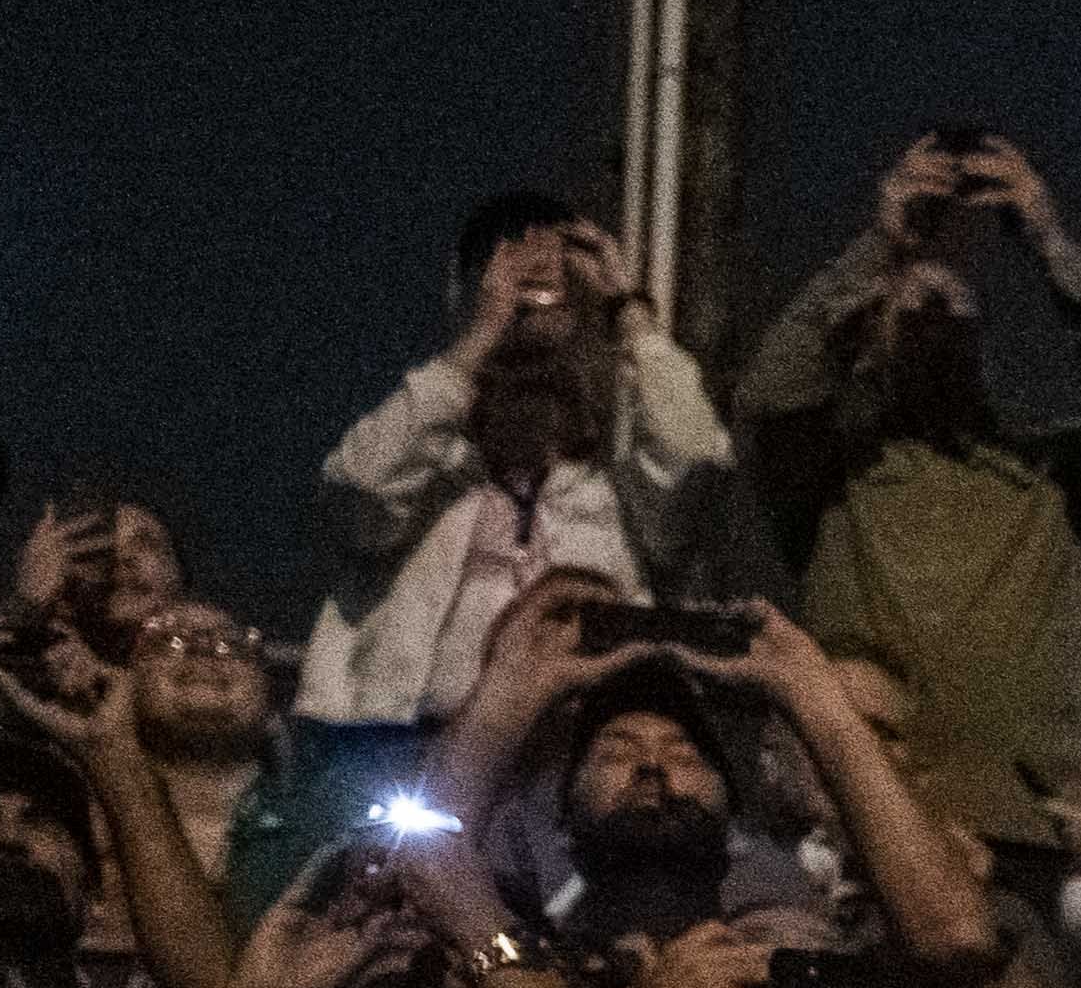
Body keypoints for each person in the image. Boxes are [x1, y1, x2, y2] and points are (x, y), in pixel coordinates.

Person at [725, 131, 1081, 851]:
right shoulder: (832, 480)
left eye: (952, 311)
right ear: (866, 346)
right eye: (909, 314)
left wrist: (1049, 246)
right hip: (859, 835)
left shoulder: (1053, 484)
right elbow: (769, 397)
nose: (932, 316)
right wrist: (876, 249)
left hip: (1024, 839)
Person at [301, 197, 764, 729]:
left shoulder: (622, 491)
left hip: (574, 752)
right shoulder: (425, 468)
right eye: (515, 297)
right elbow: (358, 495)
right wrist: (480, 336)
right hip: (410, 748)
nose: (537, 314)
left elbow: (696, 461)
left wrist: (629, 311)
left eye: (562, 299)